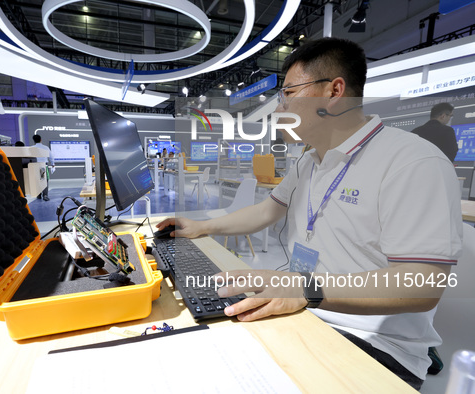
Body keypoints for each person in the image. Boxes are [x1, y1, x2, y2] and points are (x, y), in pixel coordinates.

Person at [157, 38, 462, 389]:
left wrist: (304, 287)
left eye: (288, 93)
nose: (278, 107)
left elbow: (423, 283)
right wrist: (200, 227)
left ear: (334, 92)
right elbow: (267, 210)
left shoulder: (412, 162)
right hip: (308, 311)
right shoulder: (310, 159)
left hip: (375, 344)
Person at [32, 134, 54, 201]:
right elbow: (51, 157)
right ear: (41, 139)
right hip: (44, 166)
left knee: (37, 181)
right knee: (45, 181)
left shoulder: (32, 148)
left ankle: (38, 195)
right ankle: (45, 195)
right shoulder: (46, 148)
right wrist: (53, 164)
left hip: (35, 166)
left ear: (34, 140)